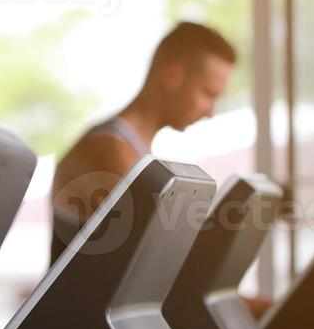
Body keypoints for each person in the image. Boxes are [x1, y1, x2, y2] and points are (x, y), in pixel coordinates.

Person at [50, 21, 237, 266]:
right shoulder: (106, 149)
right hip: (79, 305)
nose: (210, 112)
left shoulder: (137, 154)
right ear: (172, 77)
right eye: (208, 94)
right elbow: (179, 262)